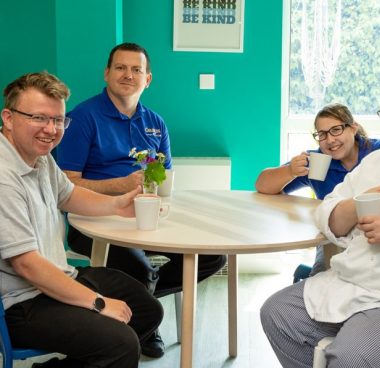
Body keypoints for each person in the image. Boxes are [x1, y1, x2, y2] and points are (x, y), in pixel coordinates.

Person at [260, 74, 380, 368]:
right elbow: (327, 213)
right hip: (352, 283)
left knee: (352, 355)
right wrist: (354, 207)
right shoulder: (378, 161)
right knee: (277, 313)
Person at [57, 42, 227, 357]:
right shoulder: (83, 117)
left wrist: (159, 197)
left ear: (147, 79)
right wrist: (119, 185)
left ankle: (138, 303)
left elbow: (164, 179)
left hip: (146, 218)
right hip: (95, 222)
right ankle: (144, 323)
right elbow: (65, 183)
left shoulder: (156, 123)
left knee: (213, 256)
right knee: (139, 269)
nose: (128, 75)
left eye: (137, 69)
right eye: (120, 67)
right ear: (107, 73)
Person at [0, 71, 163, 368]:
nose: (50, 129)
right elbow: (26, 264)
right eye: (38, 118)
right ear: (8, 118)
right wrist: (98, 303)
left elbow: (70, 195)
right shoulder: (4, 177)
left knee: (146, 310)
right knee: (121, 343)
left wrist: (117, 205)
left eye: (58, 120)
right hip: (22, 302)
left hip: (58, 277)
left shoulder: (40, 157)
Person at [256, 103, 380, 277]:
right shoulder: (317, 161)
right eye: (322, 134)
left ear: (353, 128)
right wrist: (290, 171)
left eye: (336, 130)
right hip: (332, 237)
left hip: (373, 235)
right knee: (321, 279)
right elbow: (262, 185)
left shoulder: (377, 151)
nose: (330, 140)